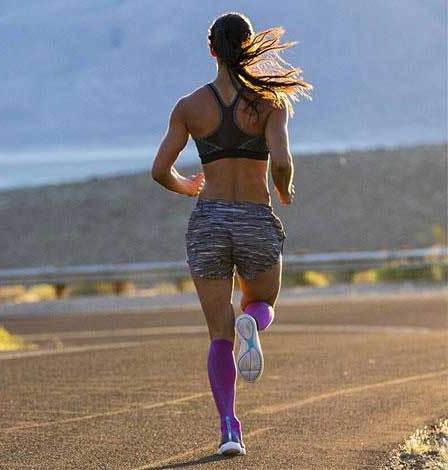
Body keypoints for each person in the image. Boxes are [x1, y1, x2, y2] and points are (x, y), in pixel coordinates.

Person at [151, 12, 312, 457]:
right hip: (254, 217)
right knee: (263, 302)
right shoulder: (269, 103)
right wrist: (284, 190)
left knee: (218, 333)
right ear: (248, 45)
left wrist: (187, 186)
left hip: (208, 221)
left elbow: (160, 170)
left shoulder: (189, 107)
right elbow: (282, 161)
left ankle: (229, 429)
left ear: (212, 50)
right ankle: (252, 324)